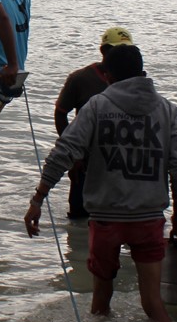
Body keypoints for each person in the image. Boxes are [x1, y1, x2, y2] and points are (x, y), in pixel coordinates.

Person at [24, 44, 177, 322]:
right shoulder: (167, 110)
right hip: (149, 218)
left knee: (100, 304)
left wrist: (38, 199)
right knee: (153, 304)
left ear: (107, 76)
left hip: (105, 220)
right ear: (142, 73)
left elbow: (64, 152)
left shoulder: (97, 107)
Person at [55, 26, 134, 219]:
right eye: (116, 50)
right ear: (104, 51)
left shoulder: (132, 81)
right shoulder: (80, 79)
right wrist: (73, 156)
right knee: (79, 218)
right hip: (85, 163)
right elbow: (60, 114)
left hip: (119, 163)